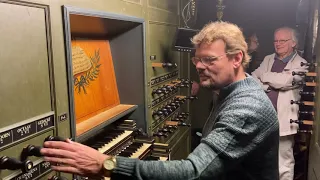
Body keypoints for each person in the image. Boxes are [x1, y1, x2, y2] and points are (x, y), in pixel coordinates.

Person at [41, 21, 279, 180]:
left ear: (237, 58)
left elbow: (193, 171)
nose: (198, 66)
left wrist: (105, 164)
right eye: (197, 59)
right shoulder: (230, 90)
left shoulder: (247, 106)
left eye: (208, 60)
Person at [251, 27, 308, 180]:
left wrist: (265, 77)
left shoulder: (302, 64)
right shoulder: (268, 59)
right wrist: (268, 82)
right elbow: (253, 78)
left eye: (282, 40)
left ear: (293, 43)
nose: (278, 44)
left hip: (284, 119)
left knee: (284, 161)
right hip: (264, 118)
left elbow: (286, 81)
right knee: (261, 158)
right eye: (276, 40)